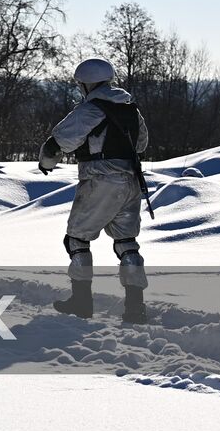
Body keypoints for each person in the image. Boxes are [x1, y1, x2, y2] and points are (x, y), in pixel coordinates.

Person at [39, 57, 151, 324]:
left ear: (86, 84)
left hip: (100, 179)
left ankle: (81, 302)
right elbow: (142, 144)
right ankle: (135, 308)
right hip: (131, 180)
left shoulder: (89, 110)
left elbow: (58, 142)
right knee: (126, 243)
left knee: (77, 239)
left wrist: (46, 163)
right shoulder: (131, 109)